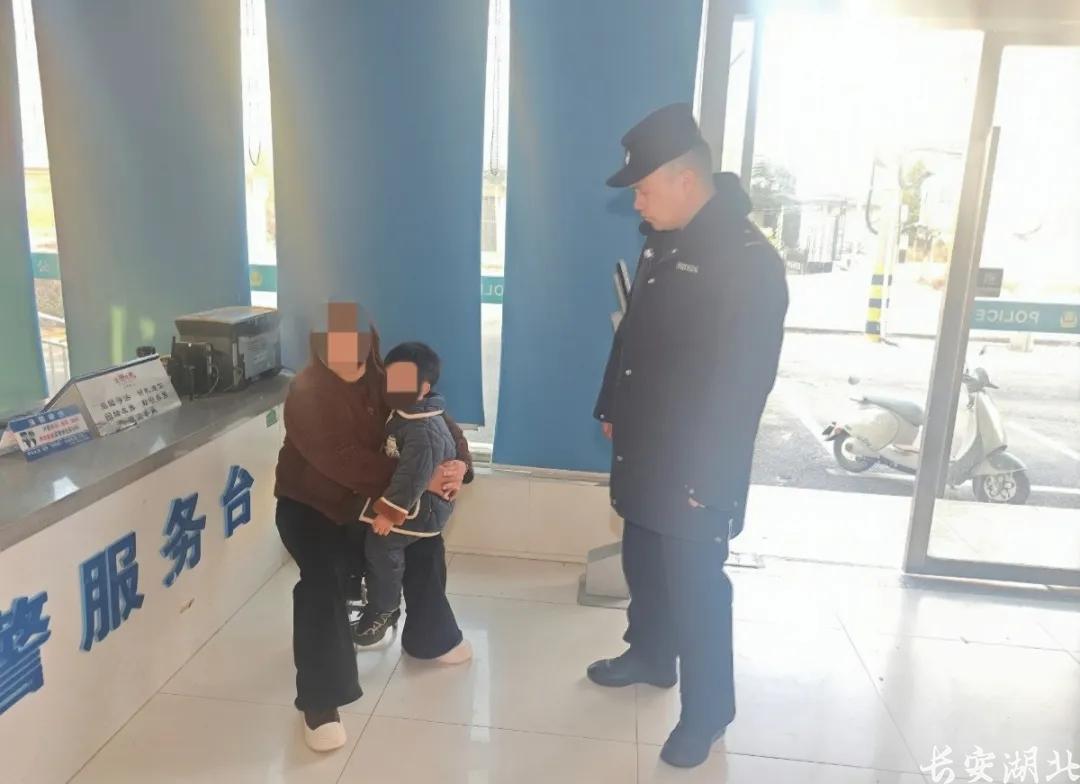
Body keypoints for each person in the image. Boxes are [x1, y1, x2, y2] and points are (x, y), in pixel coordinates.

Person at [589, 103, 789, 769]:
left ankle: (707, 713)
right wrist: (611, 401)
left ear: (684, 179)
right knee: (644, 560)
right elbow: (633, 331)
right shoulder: (664, 239)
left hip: (695, 463)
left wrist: (711, 480)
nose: (637, 203)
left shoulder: (749, 261)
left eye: (644, 189)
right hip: (646, 443)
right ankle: (650, 655)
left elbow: (745, 386)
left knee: (697, 588)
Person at [274, 302, 473, 752]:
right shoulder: (306, 392)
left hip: (380, 499)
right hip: (314, 507)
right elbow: (340, 460)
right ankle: (321, 699)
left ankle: (432, 636)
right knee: (321, 580)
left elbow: (438, 421)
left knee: (424, 542)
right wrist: (421, 478)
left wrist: (459, 464)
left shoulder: (388, 378)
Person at [352, 342, 465, 652]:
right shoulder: (411, 412)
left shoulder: (422, 427)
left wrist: (390, 514)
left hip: (420, 508)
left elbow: (412, 477)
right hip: (416, 503)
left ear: (424, 388)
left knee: (382, 545)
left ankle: (383, 607)